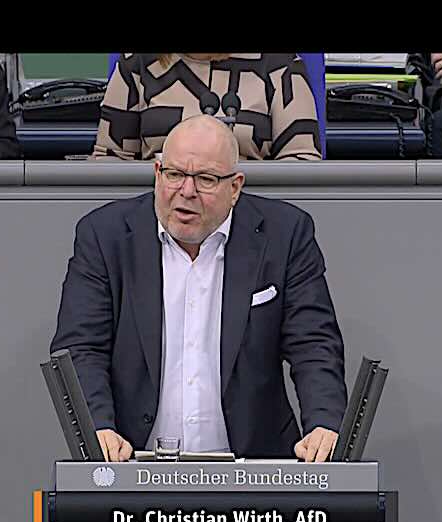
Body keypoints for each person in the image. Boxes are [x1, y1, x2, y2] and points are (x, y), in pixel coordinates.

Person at [53, 115, 345, 461]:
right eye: (174, 175)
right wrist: (98, 427)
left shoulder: (285, 235)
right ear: (157, 173)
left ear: (235, 187)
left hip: (253, 466)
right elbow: (81, 347)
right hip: (133, 462)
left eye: (205, 179)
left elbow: (313, 343)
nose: (186, 191)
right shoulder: (105, 236)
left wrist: (323, 423)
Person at [91, 53, 322, 161]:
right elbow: (110, 162)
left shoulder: (280, 65)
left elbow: (302, 162)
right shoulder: (137, 63)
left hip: (252, 222)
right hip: (156, 219)